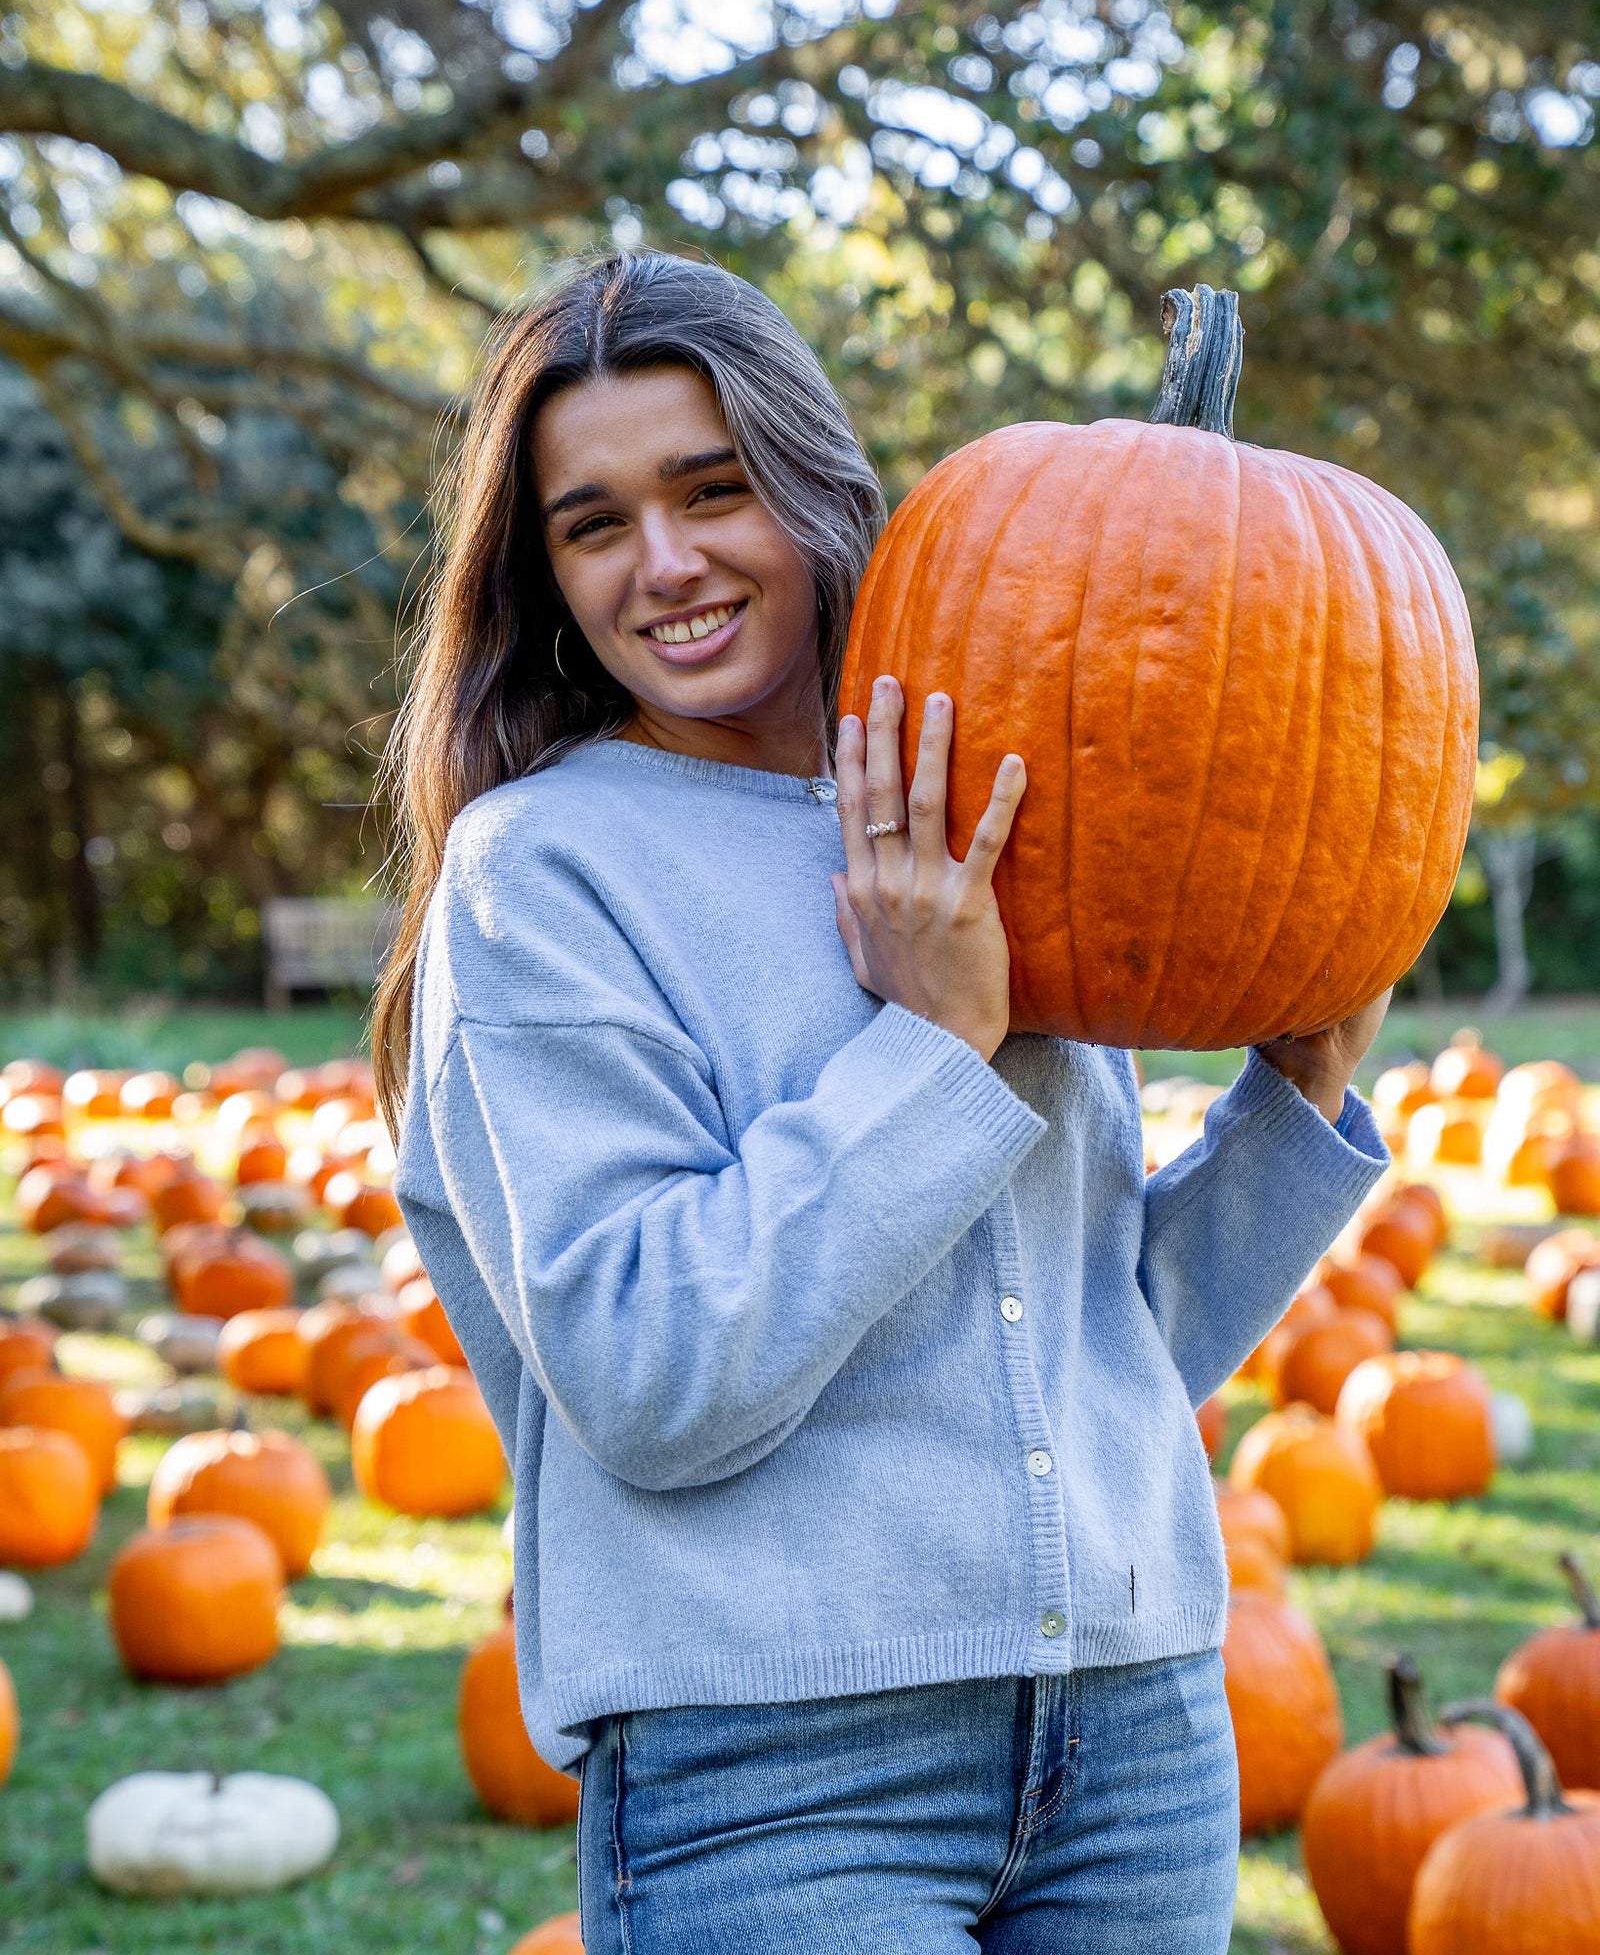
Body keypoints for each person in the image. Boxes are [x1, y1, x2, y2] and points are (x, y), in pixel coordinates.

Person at [375, 250, 1391, 1953]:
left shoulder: (989, 792)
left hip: (1134, 1731)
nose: (669, 562)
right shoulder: (539, 875)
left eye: (715, 490)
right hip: (781, 1776)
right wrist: (935, 1052)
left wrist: (1292, 1102)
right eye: (596, 521)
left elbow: (1096, 1349)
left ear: (815, 487)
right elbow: (647, 1377)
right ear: (544, 574)